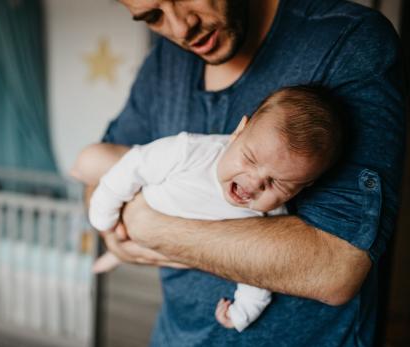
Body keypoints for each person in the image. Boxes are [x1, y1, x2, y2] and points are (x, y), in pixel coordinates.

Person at [83, 0, 405, 345]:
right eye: (153, 16)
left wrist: (147, 224)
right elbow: (99, 175)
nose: (179, 28)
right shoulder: (163, 63)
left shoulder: (346, 41)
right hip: (174, 336)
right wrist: (108, 221)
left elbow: (336, 268)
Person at [72, 85, 344, 332]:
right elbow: (134, 166)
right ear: (238, 133)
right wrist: (104, 214)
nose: (254, 183)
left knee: (149, 246)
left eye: (277, 183)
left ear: (300, 188)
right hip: (148, 197)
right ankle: (118, 250)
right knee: (95, 162)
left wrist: (243, 311)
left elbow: (259, 269)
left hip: (172, 244)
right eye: (250, 159)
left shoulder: (270, 215)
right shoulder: (192, 150)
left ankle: (119, 253)